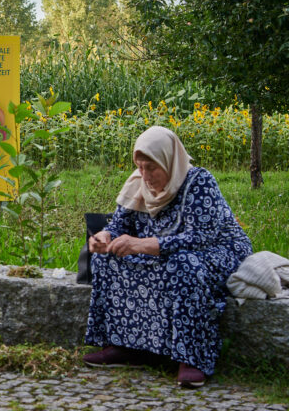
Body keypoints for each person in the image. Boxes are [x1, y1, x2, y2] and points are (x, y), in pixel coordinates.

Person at [83, 126, 252, 388]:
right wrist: (105, 236)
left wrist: (142, 244)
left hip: (218, 252)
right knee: (107, 259)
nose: (145, 176)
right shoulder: (137, 184)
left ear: (168, 160)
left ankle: (193, 358)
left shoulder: (199, 182)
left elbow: (200, 238)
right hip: (164, 252)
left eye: (152, 167)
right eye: (140, 167)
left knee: (183, 265)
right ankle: (126, 346)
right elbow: (119, 225)